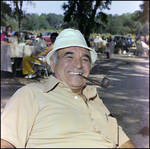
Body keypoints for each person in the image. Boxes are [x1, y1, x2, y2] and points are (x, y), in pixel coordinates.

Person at [1, 28, 136, 148]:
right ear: (53, 64)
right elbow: (5, 143)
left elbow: (124, 143)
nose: (78, 65)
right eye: (69, 57)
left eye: (85, 59)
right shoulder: (31, 94)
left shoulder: (95, 100)